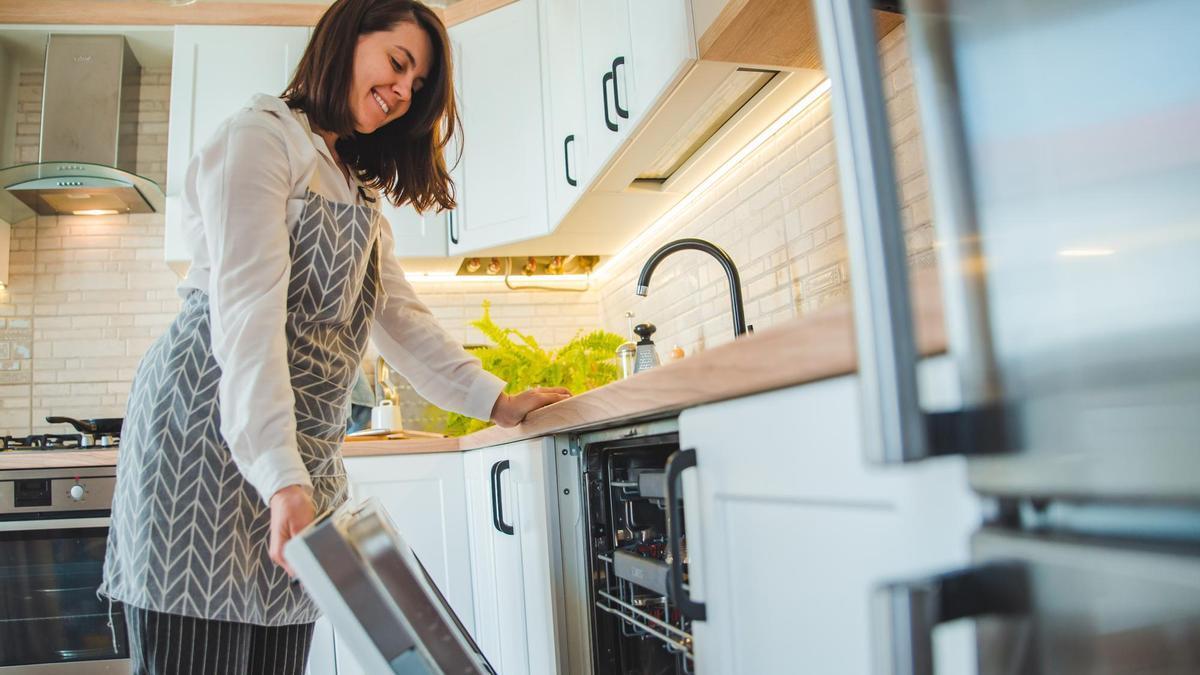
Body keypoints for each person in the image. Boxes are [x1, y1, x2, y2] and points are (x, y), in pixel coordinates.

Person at [98, 1, 569, 672]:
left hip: (292, 451)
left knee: (277, 648)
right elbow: (247, 318)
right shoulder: (260, 141)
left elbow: (401, 319)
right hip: (203, 437)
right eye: (398, 64)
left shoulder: (356, 184)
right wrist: (282, 475)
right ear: (348, 38)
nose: (403, 92)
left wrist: (497, 400)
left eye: (417, 86)